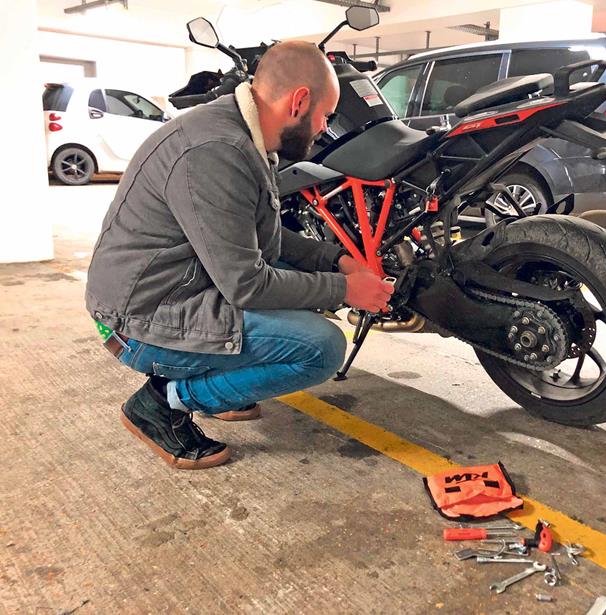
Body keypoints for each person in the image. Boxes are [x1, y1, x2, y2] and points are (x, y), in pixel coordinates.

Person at [86, 41, 393, 470]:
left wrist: (335, 259)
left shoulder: (246, 134)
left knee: (297, 293)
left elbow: (263, 237)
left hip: (180, 284)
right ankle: (163, 402)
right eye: (325, 115)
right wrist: (345, 290)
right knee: (319, 347)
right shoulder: (217, 151)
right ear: (299, 101)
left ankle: (219, 388)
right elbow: (246, 283)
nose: (325, 127)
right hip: (138, 321)